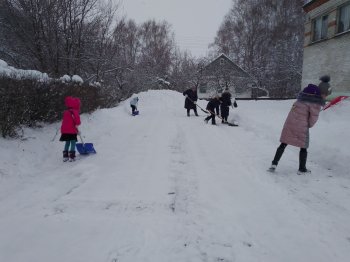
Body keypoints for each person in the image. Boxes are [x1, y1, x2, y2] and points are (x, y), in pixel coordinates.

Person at [269, 75, 332, 175]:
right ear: (323, 93)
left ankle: (274, 164)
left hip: (289, 123)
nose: (326, 97)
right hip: (302, 126)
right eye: (326, 95)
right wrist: (309, 125)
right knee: (304, 146)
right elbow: (313, 118)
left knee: (284, 143)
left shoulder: (302, 97)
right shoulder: (315, 103)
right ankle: (302, 169)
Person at [59, 96, 81, 162]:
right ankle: (72, 157)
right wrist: (77, 126)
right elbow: (78, 122)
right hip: (72, 131)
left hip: (65, 131)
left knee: (67, 142)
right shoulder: (75, 112)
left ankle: (65, 156)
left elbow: (65, 122)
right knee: (73, 142)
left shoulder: (66, 112)